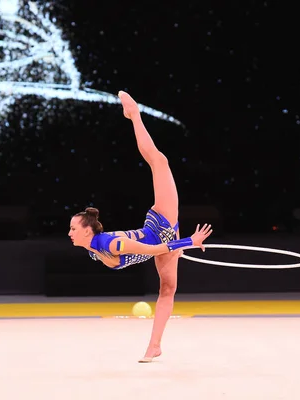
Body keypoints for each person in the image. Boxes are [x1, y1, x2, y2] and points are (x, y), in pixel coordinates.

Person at [69, 90, 213, 363]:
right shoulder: (92, 250)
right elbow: (150, 253)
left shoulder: (113, 244)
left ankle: (134, 114)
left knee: (159, 161)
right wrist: (182, 244)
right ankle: (154, 346)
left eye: (73, 229)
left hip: (161, 225)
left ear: (88, 231)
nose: (69, 233)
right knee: (167, 289)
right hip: (161, 243)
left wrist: (187, 242)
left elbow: (155, 247)